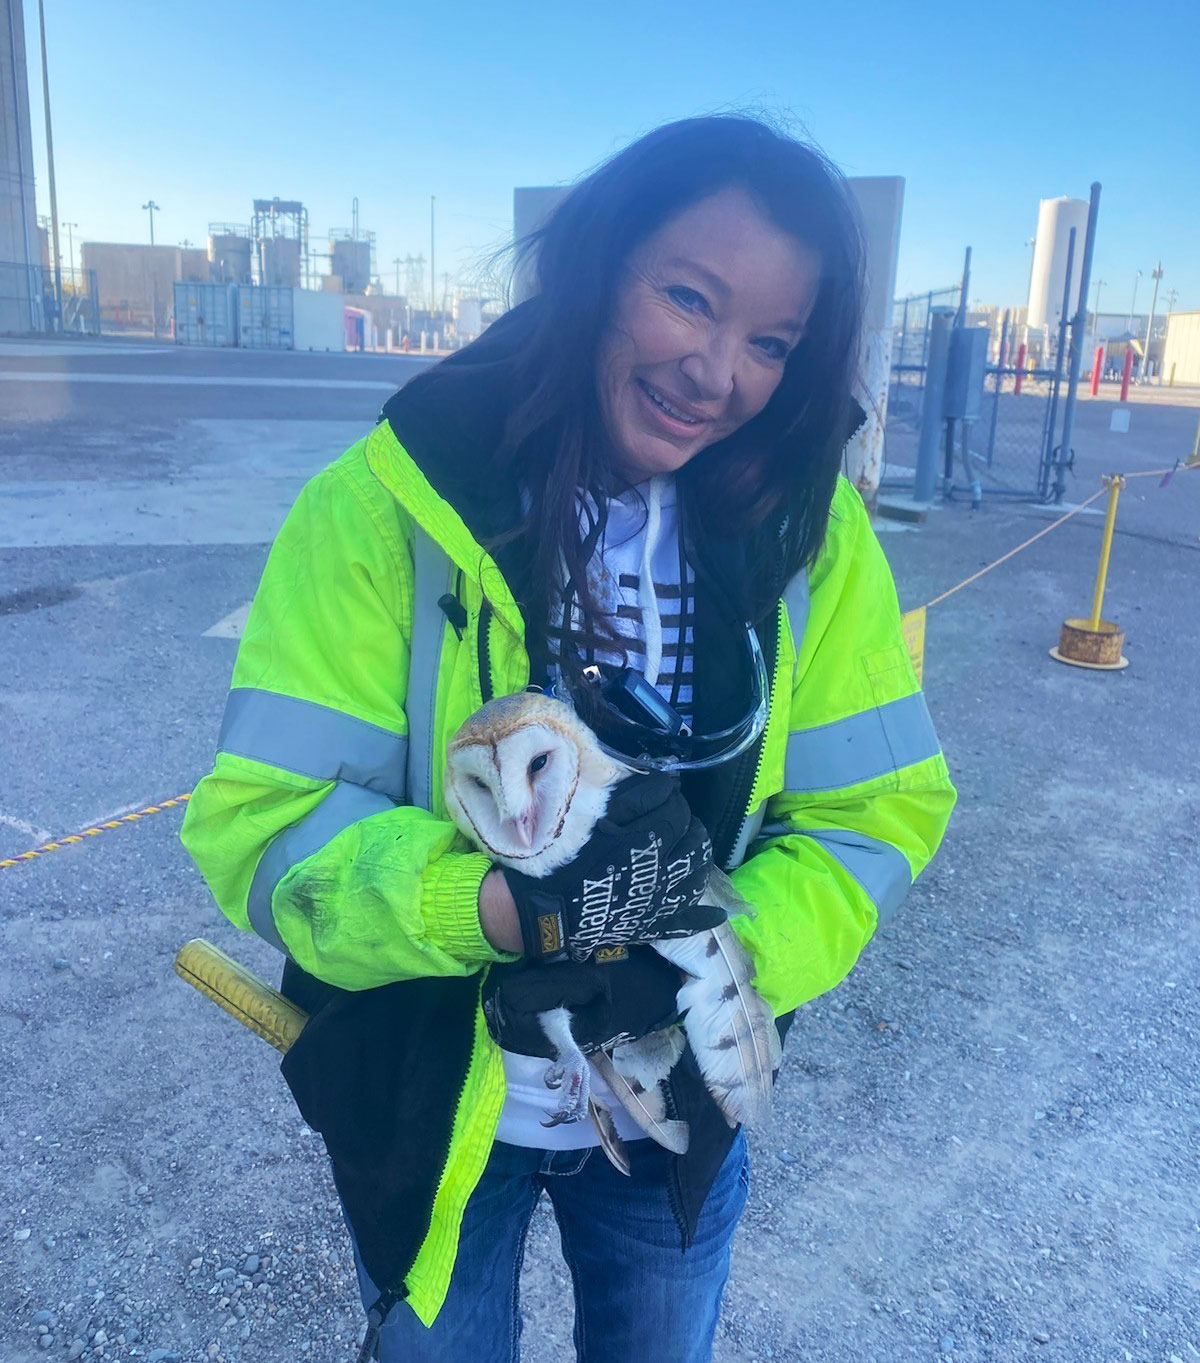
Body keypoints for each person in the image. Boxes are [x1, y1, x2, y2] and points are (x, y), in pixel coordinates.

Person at [180, 114, 956, 1362]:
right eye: (688, 299)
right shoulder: (383, 512)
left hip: (674, 1115)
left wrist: (720, 962)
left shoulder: (811, 535)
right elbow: (262, 826)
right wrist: (493, 911)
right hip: (434, 1110)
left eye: (771, 341)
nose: (719, 374)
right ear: (599, 269)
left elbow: (880, 809)